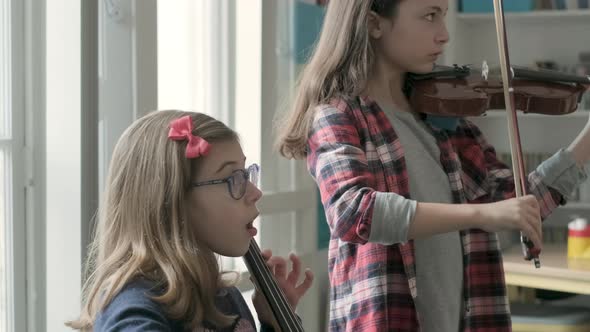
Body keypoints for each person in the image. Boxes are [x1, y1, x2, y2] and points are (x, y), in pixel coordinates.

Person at [277, 0, 590, 331]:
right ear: (374, 24)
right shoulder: (338, 115)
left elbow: (520, 202)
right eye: (430, 16)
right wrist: (482, 214)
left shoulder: (444, 119)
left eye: (443, 16)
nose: (444, 35)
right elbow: (352, 212)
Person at [66, 110, 314, 331]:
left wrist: (274, 321)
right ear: (173, 201)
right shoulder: (134, 310)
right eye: (234, 179)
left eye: (247, 175)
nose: (255, 192)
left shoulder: (223, 297)